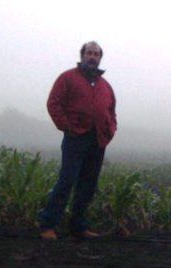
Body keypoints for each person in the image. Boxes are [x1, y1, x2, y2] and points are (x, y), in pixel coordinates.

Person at [38, 41, 117, 240]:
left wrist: (110, 130)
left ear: (100, 58)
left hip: (97, 140)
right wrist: (68, 127)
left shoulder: (105, 86)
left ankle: (78, 227)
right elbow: (54, 104)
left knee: (88, 185)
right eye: (89, 53)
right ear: (82, 55)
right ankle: (48, 226)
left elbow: (111, 111)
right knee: (67, 181)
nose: (92, 57)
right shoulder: (67, 78)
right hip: (75, 138)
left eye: (96, 54)